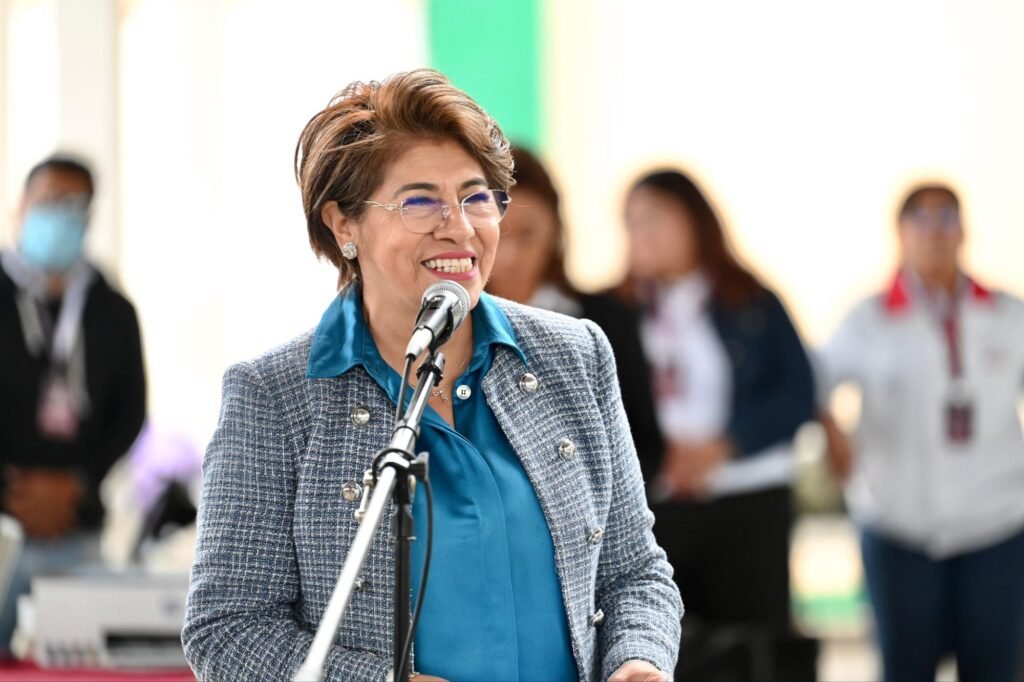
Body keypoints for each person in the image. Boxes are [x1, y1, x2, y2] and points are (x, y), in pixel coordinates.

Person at [182, 70, 682, 682]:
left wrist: (637, 659)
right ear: (343, 224)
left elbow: (634, 572)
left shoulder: (574, 356)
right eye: (420, 201)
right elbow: (227, 629)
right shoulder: (275, 397)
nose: (460, 226)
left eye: (477, 197)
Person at [818, 183, 1024, 682]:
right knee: (904, 668)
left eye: (947, 217)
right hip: (898, 528)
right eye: (922, 219)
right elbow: (813, 382)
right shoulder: (868, 319)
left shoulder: (1006, 314)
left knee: (996, 668)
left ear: (964, 231)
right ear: (901, 233)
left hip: (996, 526)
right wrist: (834, 437)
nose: (935, 232)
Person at [622, 170, 815, 679]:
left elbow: (798, 394)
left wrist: (724, 446)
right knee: (663, 646)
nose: (642, 233)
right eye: (632, 222)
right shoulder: (615, 310)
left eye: (655, 218)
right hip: (658, 503)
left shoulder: (750, 298)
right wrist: (662, 457)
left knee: (753, 653)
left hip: (748, 499)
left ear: (695, 221)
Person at [0, 155, 147, 650]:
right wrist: (14, 489)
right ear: (21, 207)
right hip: (4, 521)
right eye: (49, 202)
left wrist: (76, 482)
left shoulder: (112, 308)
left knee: (78, 662)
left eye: (74, 205)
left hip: (76, 526)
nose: (61, 216)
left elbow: (130, 414)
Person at [487, 146, 663, 469]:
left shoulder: (609, 320)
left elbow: (644, 446)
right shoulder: (452, 327)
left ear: (555, 229)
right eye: (499, 233)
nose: (511, 255)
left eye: (527, 234)